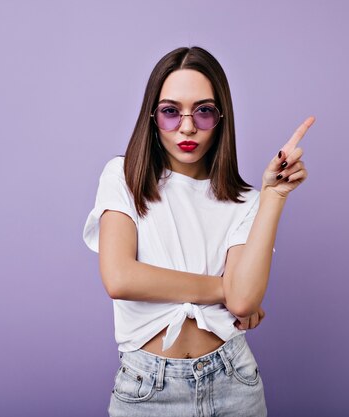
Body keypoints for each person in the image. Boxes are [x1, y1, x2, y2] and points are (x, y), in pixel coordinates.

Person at [83, 46, 314, 416]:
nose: (187, 126)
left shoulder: (246, 202)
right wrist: (224, 287)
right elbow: (120, 277)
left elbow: (242, 304)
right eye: (171, 112)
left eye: (203, 111)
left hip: (234, 381)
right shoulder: (123, 176)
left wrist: (273, 196)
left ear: (221, 118)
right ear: (153, 117)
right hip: (147, 388)